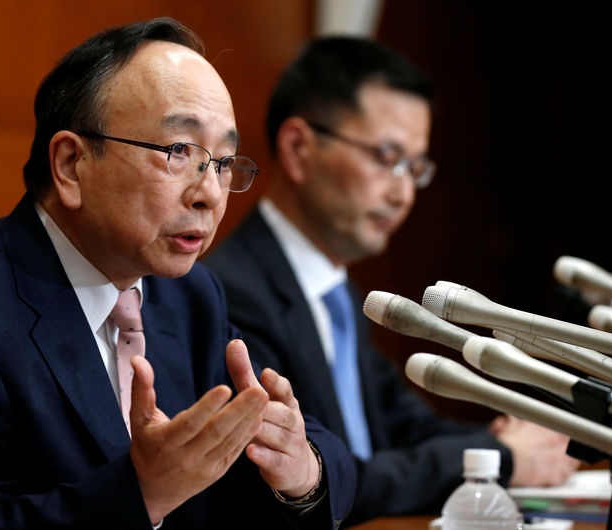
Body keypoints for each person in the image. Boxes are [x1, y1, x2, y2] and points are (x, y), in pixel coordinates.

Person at [0, 19, 356, 529]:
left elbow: (314, 450)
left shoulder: (188, 294)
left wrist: (300, 469)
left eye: (224, 162)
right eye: (177, 151)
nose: (209, 194)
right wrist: (141, 495)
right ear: (72, 164)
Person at [205, 36, 578, 525]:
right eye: (386, 157)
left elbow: (403, 424)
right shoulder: (230, 294)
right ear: (298, 148)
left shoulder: (336, 293)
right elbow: (327, 476)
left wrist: (504, 445)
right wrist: (504, 457)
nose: (403, 192)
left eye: (415, 167)